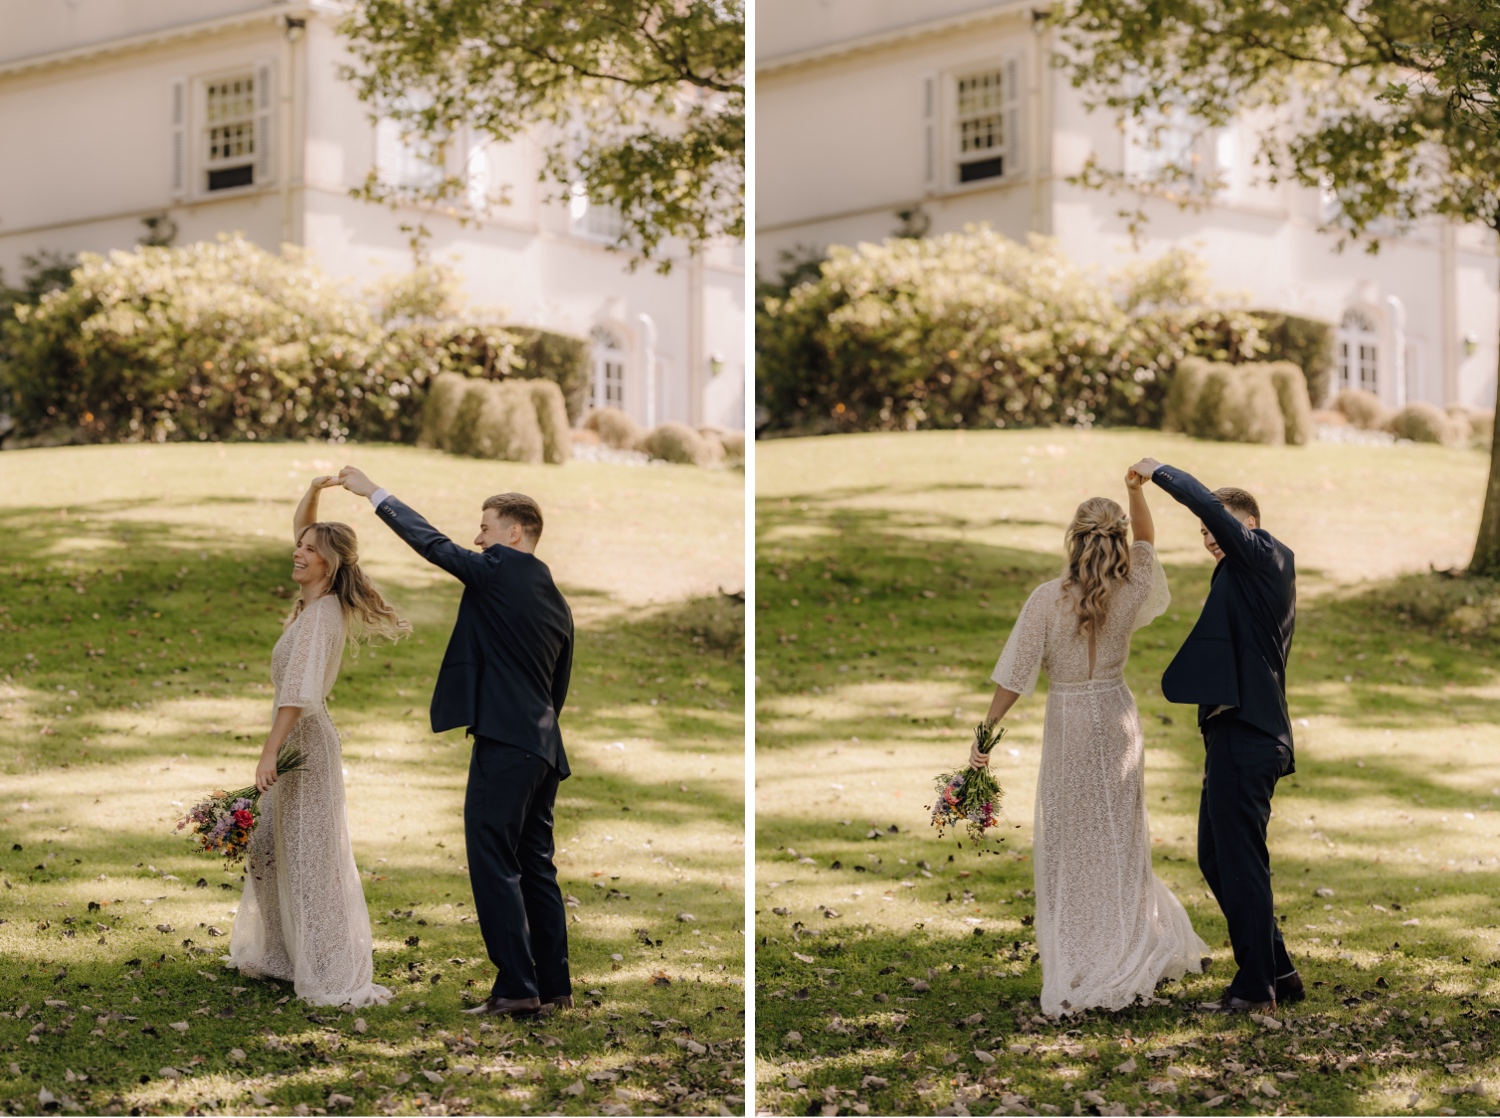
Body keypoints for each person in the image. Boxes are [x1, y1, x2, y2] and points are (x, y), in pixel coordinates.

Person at [337, 465, 575, 1017]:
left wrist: (375, 492)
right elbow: (558, 685)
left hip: (505, 742)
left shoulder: (497, 571)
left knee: (494, 861)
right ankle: (555, 988)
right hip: (543, 746)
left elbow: (432, 544)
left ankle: (517, 987)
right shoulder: (556, 598)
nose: (478, 538)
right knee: (537, 864)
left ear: (514, 533)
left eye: (487, 527)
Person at [970, 475, 1207, 1017]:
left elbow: (1015, 674)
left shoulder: (1045, 601)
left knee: (1074, 842)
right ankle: (1123, 942)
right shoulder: (1130, 590)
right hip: (1118, 717)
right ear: (1117, 540)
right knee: (1119, 839)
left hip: (1072, 722)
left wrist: (985, 734)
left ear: (1072, 540)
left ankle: (1084, 952)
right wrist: (1138, 491)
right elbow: (1148, 545)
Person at [228, 476, 411, 1007]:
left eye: (310, 550)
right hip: (296, 747)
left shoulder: (322, 615)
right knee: (267, 849)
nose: (298, 552)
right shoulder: (310, 602)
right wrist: (314, 492)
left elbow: (298, 693)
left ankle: (331, 968)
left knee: (311, 860)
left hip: (305, 746)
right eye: (300, 546)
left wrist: (269, 752)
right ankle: (284, 956)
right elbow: (300, 529)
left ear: (328, 565)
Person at [1128, 457, 1302, 1014]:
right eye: (1205, 533)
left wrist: (1161, 473)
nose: (1209, 538)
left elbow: (1209, 505)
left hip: (1251, 734)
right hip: (1233, 735)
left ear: (1247, 523)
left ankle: (1255, 990)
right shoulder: (1243, 572)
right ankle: (1278, 971)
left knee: (1241, 860)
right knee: (1215, 855)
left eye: (1218, 527)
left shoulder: (1263, 555)